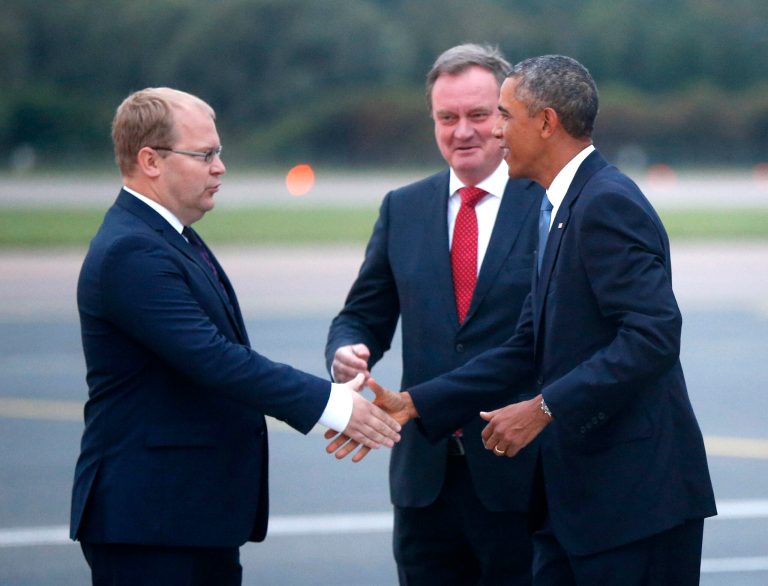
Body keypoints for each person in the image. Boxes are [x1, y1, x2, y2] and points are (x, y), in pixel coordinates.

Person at [332, 55, 717, 585]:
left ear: (546, 122)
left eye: (503, 115)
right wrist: (416, 403)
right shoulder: (561, 207)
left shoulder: (604, 203)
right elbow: (526, 343)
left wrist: (542, 408)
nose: (493, 130)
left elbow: (652, 337)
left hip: (633, 503)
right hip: (576, 504)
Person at [70, 87, 401, 586]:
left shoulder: (168, 235)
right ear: (150, 161)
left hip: (187, 517)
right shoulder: (132, 251)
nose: (220, 166)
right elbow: (213, 358)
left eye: (218, 152)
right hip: (152, 524)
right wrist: (333, 405)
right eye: (205, 155)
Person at [325, 44, 543, 585]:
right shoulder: (404, 207)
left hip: (524, 478)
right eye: (447, 117)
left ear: (507, 116)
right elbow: (362, 313)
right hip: (425, 482)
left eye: (478, 115)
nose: (461, 131)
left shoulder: (547, 204)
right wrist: (347, 351)